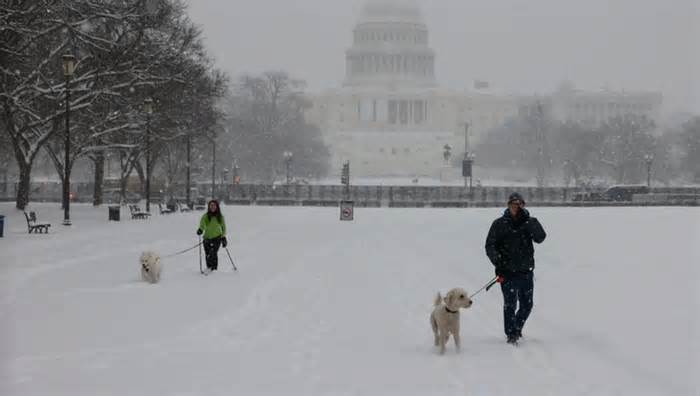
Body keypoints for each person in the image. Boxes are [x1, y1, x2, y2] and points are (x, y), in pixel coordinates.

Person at [485, 192, 546, 345]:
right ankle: (511, 334)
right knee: (510, 305)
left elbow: (541, 238)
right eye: (513, 204)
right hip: (507, 272)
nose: (515, 207)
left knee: (527, 304)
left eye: (518, 204)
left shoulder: (530, 222)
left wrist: (531, 222)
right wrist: (498, 261)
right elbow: (489, 245)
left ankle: (517, 328)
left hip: (526, 271)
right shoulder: (499, 223)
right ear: (508, 205)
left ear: (523, 205)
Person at [196, 200, 227, 272]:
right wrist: (201, 229)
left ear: (217, 207)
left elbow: (223, 227)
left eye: (214, 205)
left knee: (213, 252)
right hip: (207, 238)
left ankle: (214, 269)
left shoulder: (220, 217)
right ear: (209, 207)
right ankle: (209, 267)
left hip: (217, 238)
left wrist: (223, 237)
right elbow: (202, 223)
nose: (212, 207)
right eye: (211, 205)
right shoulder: (206, 216)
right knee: (208, 254)